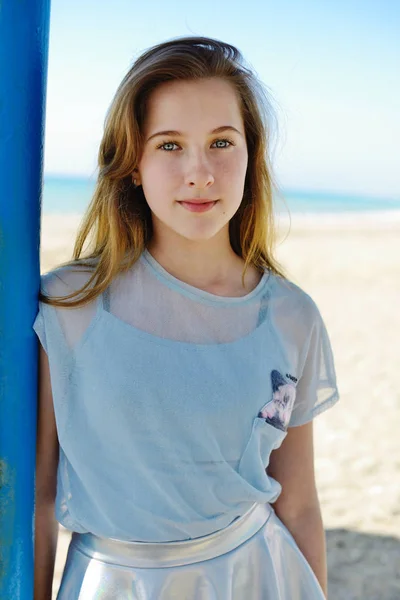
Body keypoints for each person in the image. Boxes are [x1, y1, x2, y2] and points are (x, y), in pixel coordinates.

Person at [33, 36, 340, 600]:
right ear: (132, 164)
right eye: (170, 146)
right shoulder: (67, 305)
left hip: (259, 577)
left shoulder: (293, 317)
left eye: (222, 142)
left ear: (251, 154)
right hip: (112, 582)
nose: (200, 172)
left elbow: (297, 502)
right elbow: (39, 498)